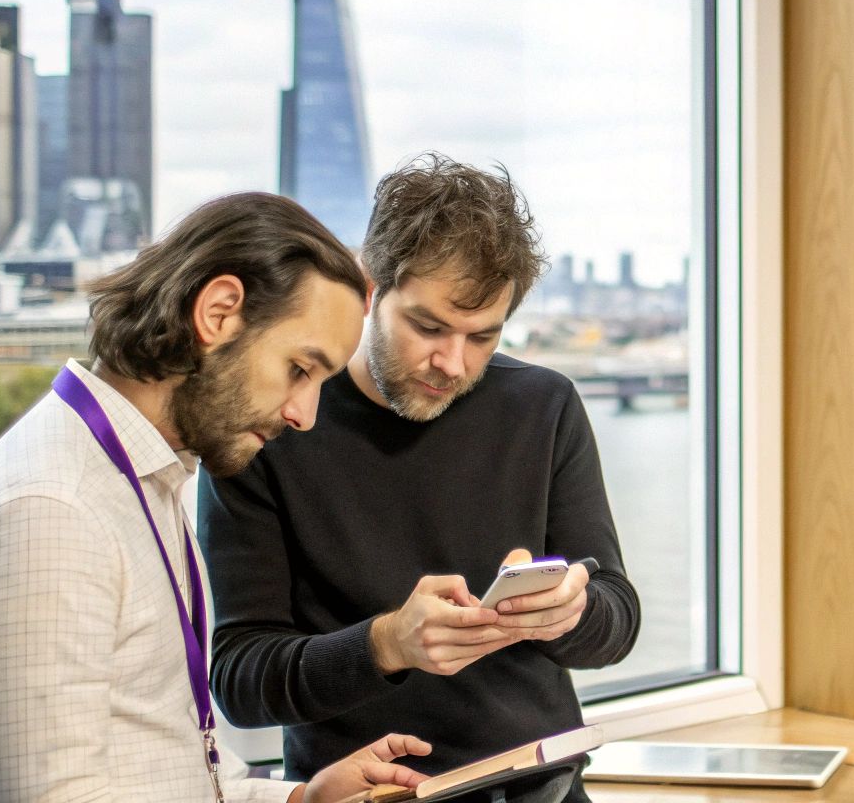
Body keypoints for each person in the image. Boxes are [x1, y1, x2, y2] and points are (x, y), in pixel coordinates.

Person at [0, 193, 434, 803]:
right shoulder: (51, 508)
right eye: (300, 369)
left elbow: (178, 774)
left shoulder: (137, 482)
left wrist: (303, 799)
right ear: (219, 313)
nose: (305, 415)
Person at [201, 155, 640, 803]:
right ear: (369, 287)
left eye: (482, 336)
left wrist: (569, 613)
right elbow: (240, 681)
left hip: (543, 789)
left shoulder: (544, 407)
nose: (453, 363)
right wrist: (387, 644)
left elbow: (618, 621)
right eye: (429, 327)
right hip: (368, 795)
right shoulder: (273, 424)